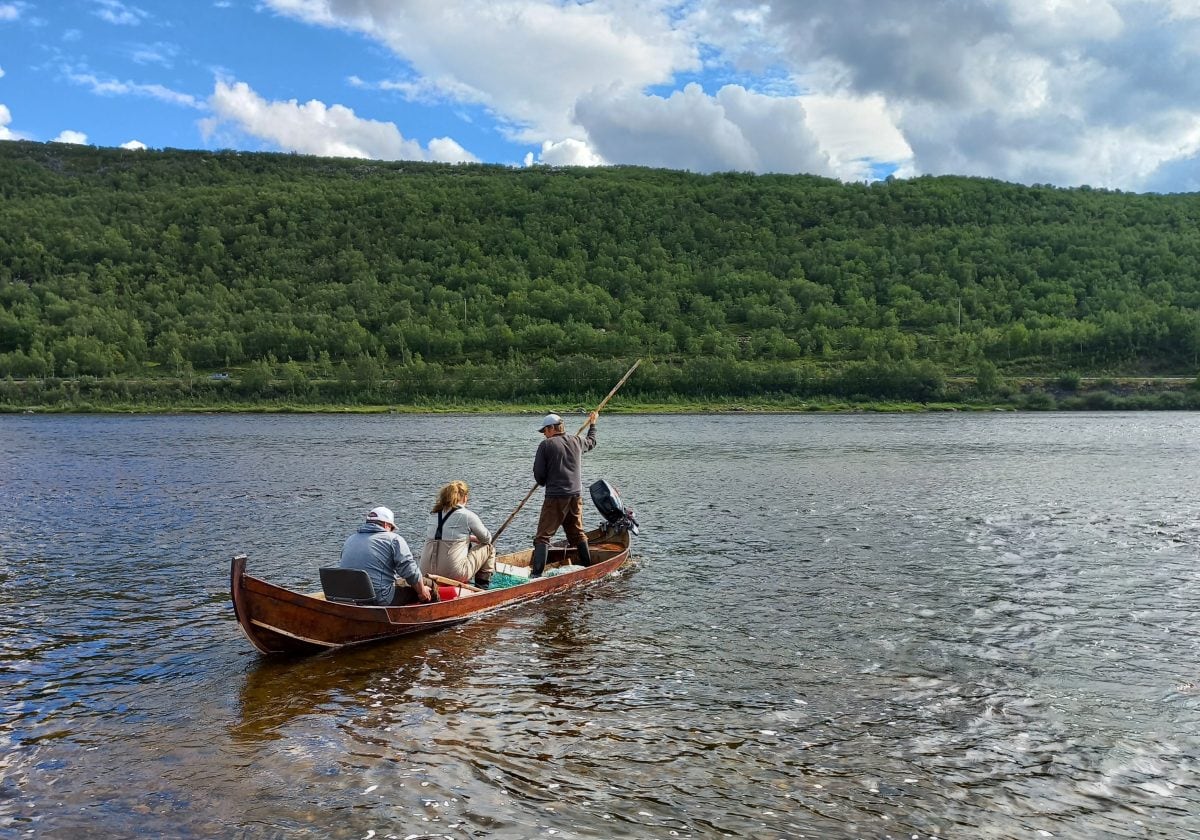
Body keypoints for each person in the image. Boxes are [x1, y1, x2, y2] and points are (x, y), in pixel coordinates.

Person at [531, 410, 598, 577]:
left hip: (555, 497)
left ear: (552, 428)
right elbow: (592, 442)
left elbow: (539, 474)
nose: (544, 435)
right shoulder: (577, 441)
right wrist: (593, 424)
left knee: (543, 537)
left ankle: (536, 576)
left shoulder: (546, 445)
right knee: (577, 533)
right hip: (575, 496)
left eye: (545, 431)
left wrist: (544, 481)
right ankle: (587, 567)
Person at [339, 506, 431, 605]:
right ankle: (435, 615)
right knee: (430, 586)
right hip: (380, 598)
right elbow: (409, 571)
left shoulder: (350, 540)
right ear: (386, 525)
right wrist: (422, 592)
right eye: (392, 528)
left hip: (349, 597)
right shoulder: (393, 539)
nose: (392, 532)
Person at [419, 480, 496, 588]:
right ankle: (481, 588)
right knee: (489, 548)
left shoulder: (434, 514)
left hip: (424, 572)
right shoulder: (467, 515)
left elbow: (445, 535)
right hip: (453, 574)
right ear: (464, 497)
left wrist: (469, 538)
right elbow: (487, 539)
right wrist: (472, 538)